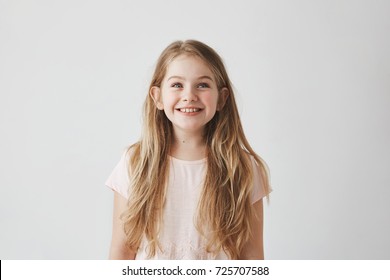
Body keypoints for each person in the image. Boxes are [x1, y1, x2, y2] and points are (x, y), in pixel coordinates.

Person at [105, 40, 271, 260]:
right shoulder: (135, 163)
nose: (189, 95)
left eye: (202, 85)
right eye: (177, 85)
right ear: (157, 97)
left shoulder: (243, 168)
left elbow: (251, 257)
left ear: (222, 98)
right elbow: (122, 250)